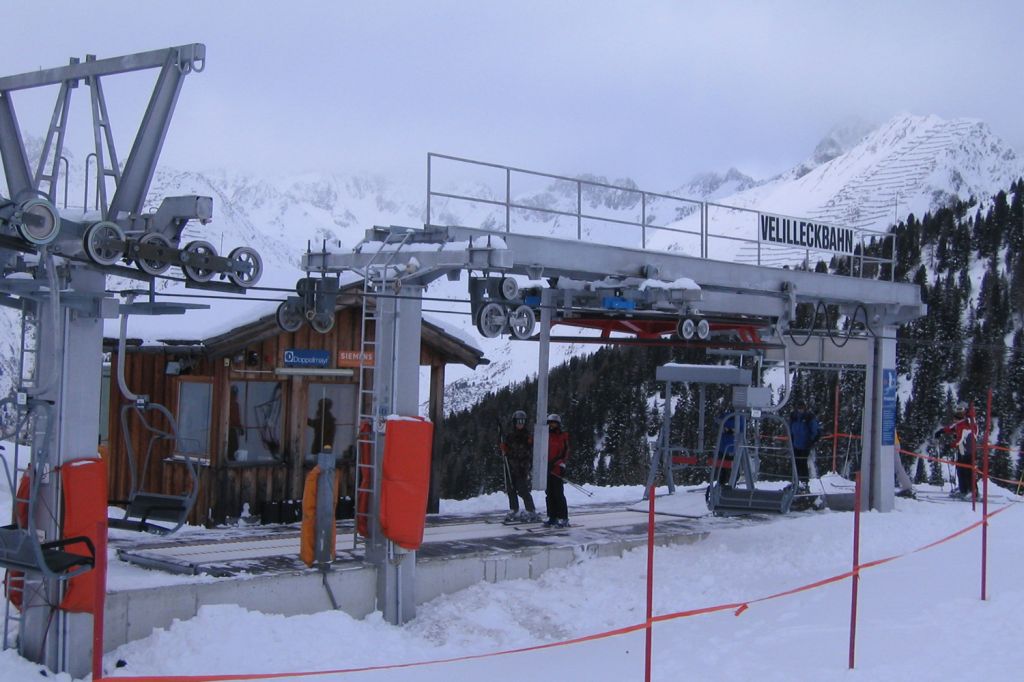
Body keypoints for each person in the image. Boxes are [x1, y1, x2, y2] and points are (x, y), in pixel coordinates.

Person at [499, 410, 540, 522]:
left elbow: (527, 451)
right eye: (518, 421)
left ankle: (531, 510)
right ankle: (514, 509)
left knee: (522, 489)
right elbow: (507, 449)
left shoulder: (527, 436)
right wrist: (504, 449)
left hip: (522, 466)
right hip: (511, 465)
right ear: (514, 422)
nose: (520, 424)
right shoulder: (510, 436)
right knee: (511, 489)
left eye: (522, 421)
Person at [934, 402, 978, 498]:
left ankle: (972, 491)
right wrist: (942, 431)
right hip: (963, 450)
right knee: (961, 469)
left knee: (968, 471)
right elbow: (952, 428)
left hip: (968, 451)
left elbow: (960, 439)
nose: (957, 415)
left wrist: (949, 446)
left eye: (960, 412)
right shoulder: (961, 423)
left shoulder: (968, 423)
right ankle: (964, 489)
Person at [544, 413, 570, 528]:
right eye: (550, 423)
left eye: (554, 423)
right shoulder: (546, 435)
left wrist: (559, 463)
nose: (552, 425)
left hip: (557, 468)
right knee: (549, 494)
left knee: (558, 494)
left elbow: (566, 452)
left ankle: (563, 518)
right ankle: (552, 516)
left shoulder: (563, 436)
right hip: (547, 469)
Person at [789, 401, 821, 489]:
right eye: (799, 408)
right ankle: (797, 481)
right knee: (796, 463)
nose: (800, 410)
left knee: (803, 463)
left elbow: (814, 429)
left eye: (802, 408)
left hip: (805, 444)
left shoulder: (808, 417)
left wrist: (811, 440)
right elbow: (790, 428)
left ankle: (804, 482)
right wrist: (791, 439)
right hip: (796, 444)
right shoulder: (794, 416)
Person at [228, 385, 245, 460]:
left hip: (231, 430)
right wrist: (239, 427)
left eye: (235, 394)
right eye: (233, 394)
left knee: (234, 447)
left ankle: (231, 458)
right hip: (230, 430)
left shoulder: (234, 405)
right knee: (233, 447)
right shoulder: (230, 405)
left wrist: (240, 427)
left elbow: (237, 419)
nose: (235, 396)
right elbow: (235, 419)